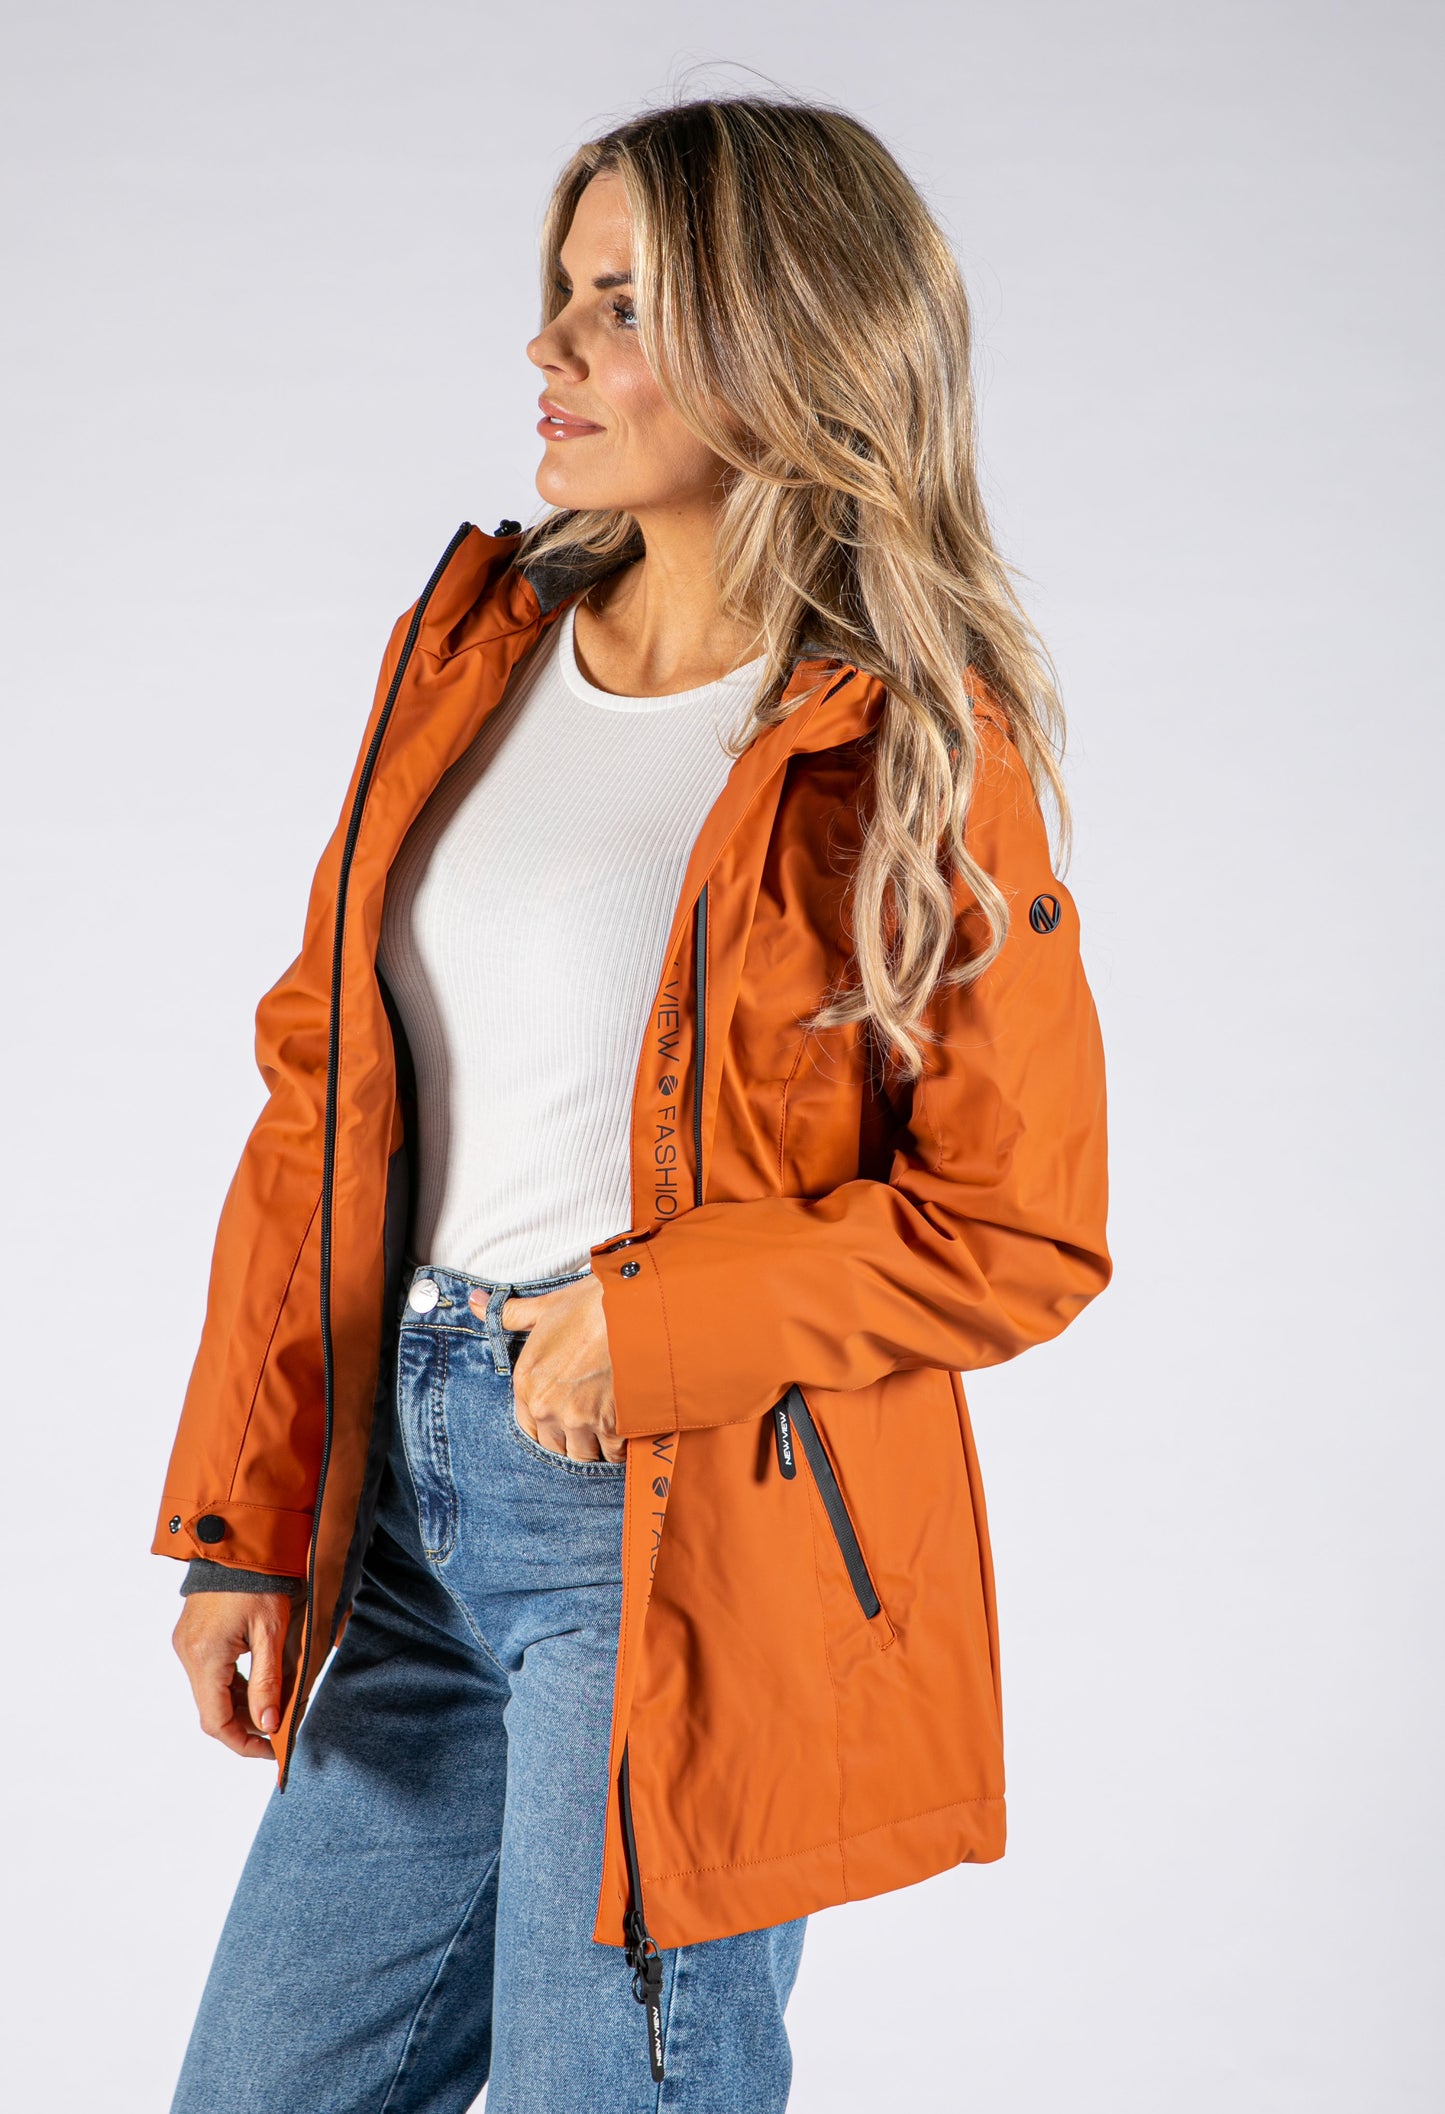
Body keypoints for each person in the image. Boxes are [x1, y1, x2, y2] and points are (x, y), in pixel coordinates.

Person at [156, 94, 1111, 2114]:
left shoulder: (903, 746)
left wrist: (649, 1322)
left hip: (668, 1526)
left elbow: (1016, 1227)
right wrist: (249, 1508)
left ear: (789, 338)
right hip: (400, 1511)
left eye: (623, 307)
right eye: (561, 293)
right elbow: (323, 1085)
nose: (550, 349)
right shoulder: (473, 649)